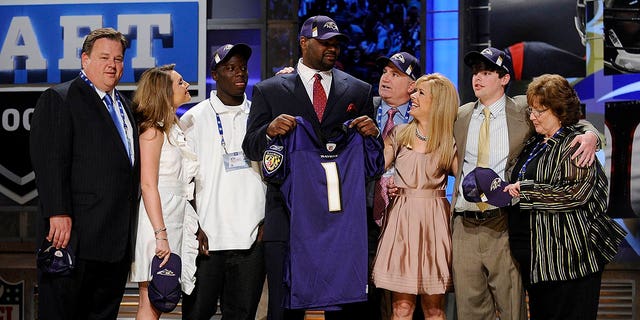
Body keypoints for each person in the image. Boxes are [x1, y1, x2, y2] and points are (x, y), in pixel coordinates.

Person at [242, 15, 379, 320]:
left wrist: (374, 135)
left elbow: (371, 161)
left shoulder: (359, 90)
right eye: (325, 42)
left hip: (338, 220)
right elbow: (249, 146)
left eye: (336, 43)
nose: (333, 48)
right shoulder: (270, 90)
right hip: (287, 215)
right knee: (284, 307)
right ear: (304, 42)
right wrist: (268, 131)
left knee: (343, 304)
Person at [450, 47, 601, 320]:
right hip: (467, 225)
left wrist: (592, 135)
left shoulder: (522, 110)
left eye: (486, 72)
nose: (477, 78)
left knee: (512, 309)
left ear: (505, 78)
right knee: (469, 310)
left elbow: (571, 123)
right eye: (475, 72)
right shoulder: (460, 116)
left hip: (508, 227)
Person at [30, 27, 140, 319]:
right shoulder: (61, 99)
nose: (112, 65)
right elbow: (50, 161)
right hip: (73, 240)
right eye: (104, 57)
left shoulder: (125, 107)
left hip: (114, 244)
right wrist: (57, 211)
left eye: (118, 59)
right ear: (84, 59)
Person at [504, 74, 626, 320]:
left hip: (569, 259)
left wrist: (525, 191)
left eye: (540, 111)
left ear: (559, 110)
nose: (533, 116)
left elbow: (574, 194)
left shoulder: (575, 144)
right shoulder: (534, 142)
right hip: (539, 260)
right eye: (532, 110)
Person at [180, 43, 267, 320]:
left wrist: (268, 220)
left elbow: (272, 172)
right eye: (230, 68)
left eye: (242, 68)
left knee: (241, 315)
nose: (239, 74)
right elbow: (185, 180)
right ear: (215, 75)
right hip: (207, 240)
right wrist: (193, 226)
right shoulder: (194, 118)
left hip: (251, 239)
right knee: (197, 315)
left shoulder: (259, 116)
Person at [372, 73, 458, 320]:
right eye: (414, 92)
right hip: (402, 221)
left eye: (420, 93)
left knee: (434, 309)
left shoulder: (449, 142)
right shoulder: (398, 134)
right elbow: (373, 168)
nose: (413, 97)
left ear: (438, 102)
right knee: (401, 308)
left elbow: (467, 178)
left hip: (434, 224)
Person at [128, 64, 199, 319]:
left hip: (174, 217)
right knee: (152, 299)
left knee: (162, 297)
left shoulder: (172, 127)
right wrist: (160, 234)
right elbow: (148, 184)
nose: (187, 85)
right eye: (180, 82)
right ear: (163, 92)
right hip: (157, 221)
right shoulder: (152, 130)